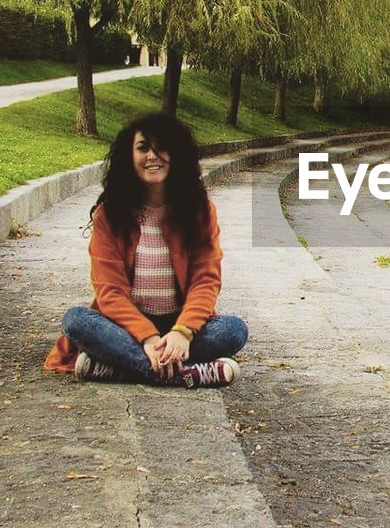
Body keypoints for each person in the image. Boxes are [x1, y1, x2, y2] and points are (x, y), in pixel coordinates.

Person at [44, 112, 248, 387]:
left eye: (161, 148)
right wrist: (148, 338)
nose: (152, 156)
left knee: (234, 330)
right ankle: (185, 374)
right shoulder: (109, 214)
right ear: (129, 157)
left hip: (179, 325)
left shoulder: (198, 211)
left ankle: (119, 369)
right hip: (126, 329)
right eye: (143, 148)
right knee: (75, 321)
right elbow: (109, 292)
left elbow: (206, 280)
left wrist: (182, 333)